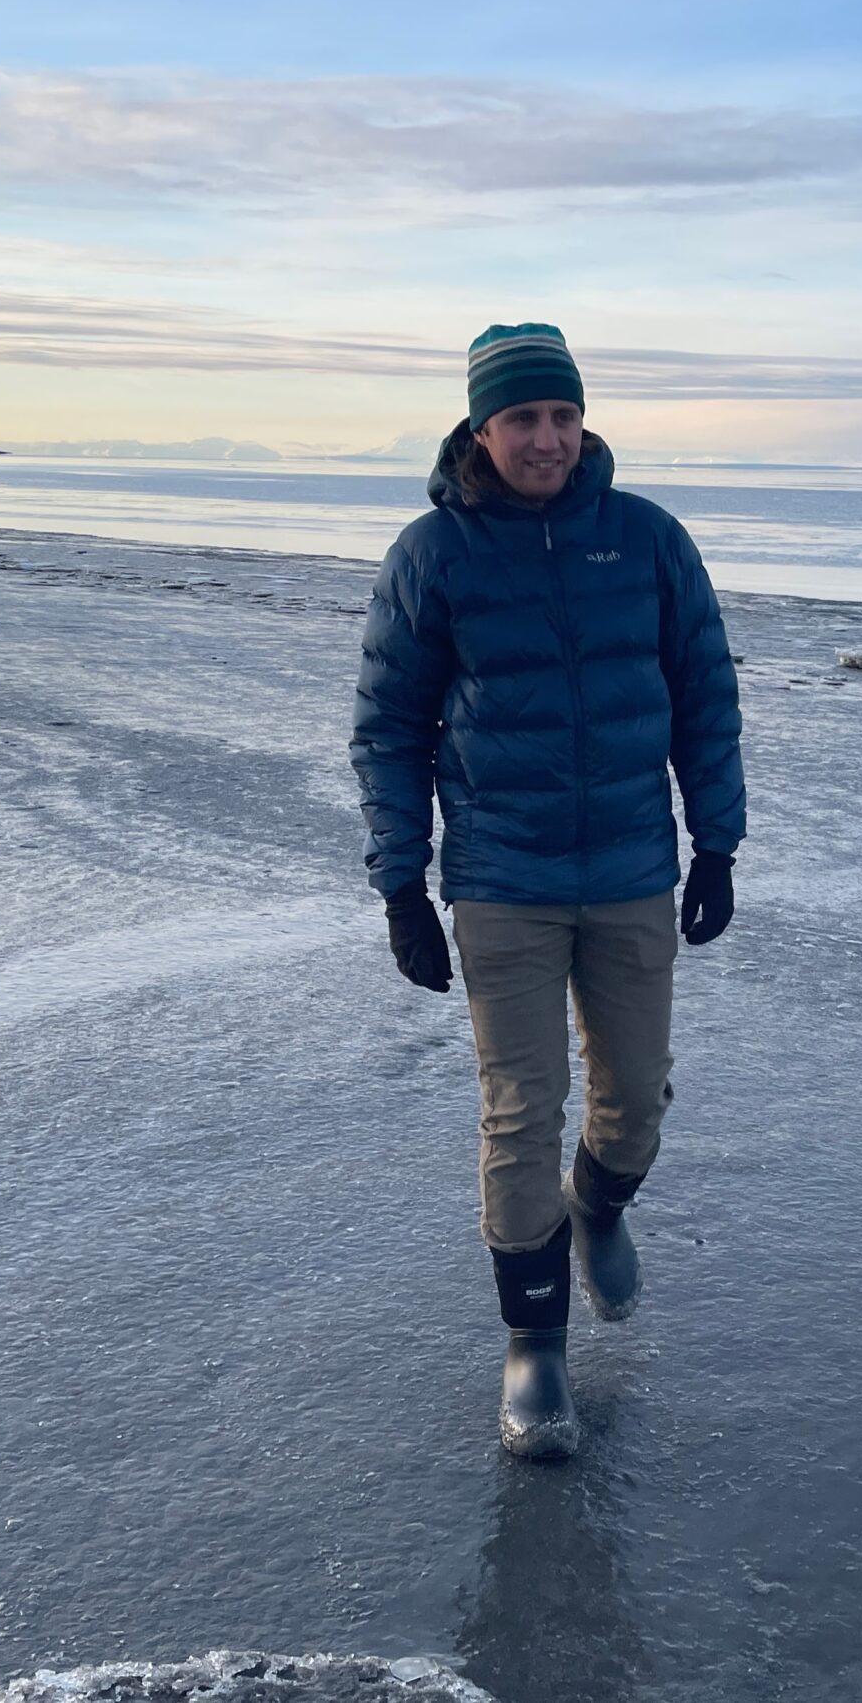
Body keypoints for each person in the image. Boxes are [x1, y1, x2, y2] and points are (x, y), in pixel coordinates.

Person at [350, 322, 747, 1459]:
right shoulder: (434, 553)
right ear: (482, 428)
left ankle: (604, 1206)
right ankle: (535, 1350)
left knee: (634, 1104)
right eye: (523, 418)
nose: (547, 438)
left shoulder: (648, 540)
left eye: (563, 415)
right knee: (519, 1115)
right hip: (501, 880)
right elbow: (389, 727)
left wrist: (714, 842)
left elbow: (704, 694)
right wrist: (401, 884)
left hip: (628, 868)